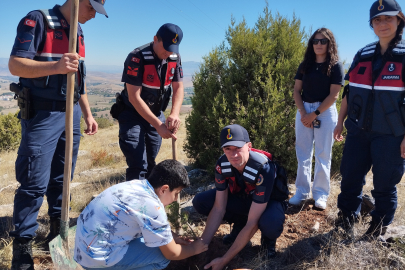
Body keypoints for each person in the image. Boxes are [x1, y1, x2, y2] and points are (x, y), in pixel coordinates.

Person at [8, 1, 108, 269]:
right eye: (92, 10)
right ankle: (23, 246)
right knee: (33, 181)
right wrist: (55, 67)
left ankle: (58, 230)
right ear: (81, 2)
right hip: (42, 114)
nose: (93, 17)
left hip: (71, 113)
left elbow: (80, 79)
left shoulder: (78, 32)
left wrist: (87, 114)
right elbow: (15, 64)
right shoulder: (38, 20)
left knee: (63, 176)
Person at [335, 0, 405, 240]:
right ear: (372, 24)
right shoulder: (363, 53)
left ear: (399, 20)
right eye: (377, 20)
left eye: (388, 18)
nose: (382, 23)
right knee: (350, 177)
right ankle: (346, 219)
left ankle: (377, 229)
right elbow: (349, 91)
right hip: (358, 131)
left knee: (385, 184)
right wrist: (339, 122)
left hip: (391, 135)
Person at [74, 159, 208, 269]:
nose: (175, 199)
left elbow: (148, 225)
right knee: (161, 258)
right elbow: (172, 253)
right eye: (176, 193)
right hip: (97, 260)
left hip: (83, 253)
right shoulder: (152, 206)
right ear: (164, 189)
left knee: (153, 243)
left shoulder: (137, 186)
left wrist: (173, 238)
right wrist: (194, 249)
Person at [192, 124, 289, 270]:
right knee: (201, 201)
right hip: (245, 198)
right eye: (228, 149)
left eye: (238, 148)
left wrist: (224, 260)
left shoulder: (263, 168)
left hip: (268, 203)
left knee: (271, 223)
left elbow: (253, 222)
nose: (233, 154)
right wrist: (200, 246)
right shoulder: (222, 164)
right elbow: (219, 207)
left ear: (249, 146)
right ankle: (239, 224)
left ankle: (268, 242)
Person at [116, 23, 184, 181]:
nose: (168, 52)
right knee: (138, 164)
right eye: (166, 47)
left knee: (151, 162)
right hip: (132, 114)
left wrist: (174, 114)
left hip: (155, 113)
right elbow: (134, 97)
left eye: (172, 48)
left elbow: (178, 87)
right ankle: (135, 203)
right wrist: (158, 125)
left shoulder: (175, 57)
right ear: (155, 39)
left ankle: (148, 201)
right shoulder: (137, 57)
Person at [289, 28, 344, 210]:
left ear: (330, 44)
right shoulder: (306, 64)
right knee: (303, 152)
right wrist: (303, 112)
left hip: (325, 112)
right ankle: (301, 192)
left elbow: (334, 95)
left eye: (323, 41)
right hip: (304, 109)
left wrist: (315, 114)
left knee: (323, 154)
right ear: (311, 44)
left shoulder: (335, 66)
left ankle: (320, 194)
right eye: (315, 41)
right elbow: (297, 90)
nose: (318, 45)